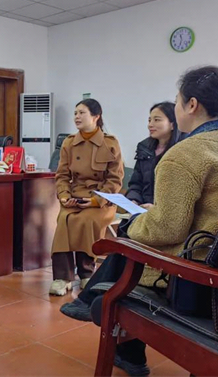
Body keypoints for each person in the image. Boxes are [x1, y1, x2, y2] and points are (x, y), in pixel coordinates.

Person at [60, 66, 218, 377]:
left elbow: (166, 228)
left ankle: (97, 305)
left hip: (195, 277)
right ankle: (96, 306)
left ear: (191, 105)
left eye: (176, 102)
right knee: (133, 235)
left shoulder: (183, 155)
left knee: (128, 241)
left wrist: (134, 224)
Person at [50, 98, 124, 296]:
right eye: (75, 113)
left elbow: (115, 180)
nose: (77, 117)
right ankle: (62, 277)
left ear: (96, 116)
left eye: (82, 113)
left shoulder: (110, 143)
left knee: (86, 220)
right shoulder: (69, 143)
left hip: (101, 201)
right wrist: (64, 196)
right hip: (74, 197)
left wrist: (94, 201)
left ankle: (86, 273)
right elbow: (62, 176)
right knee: (64, 220)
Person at [125, 102, 182, 209]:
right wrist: (133, 200)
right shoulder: (144, 148)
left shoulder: (182, 151)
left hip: (167, 212)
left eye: (157, 120)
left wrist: (156, 209)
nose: (150, 125)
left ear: (173, 124)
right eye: (149, 120)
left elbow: (181, 193)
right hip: (142, 209)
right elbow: (136, 183)